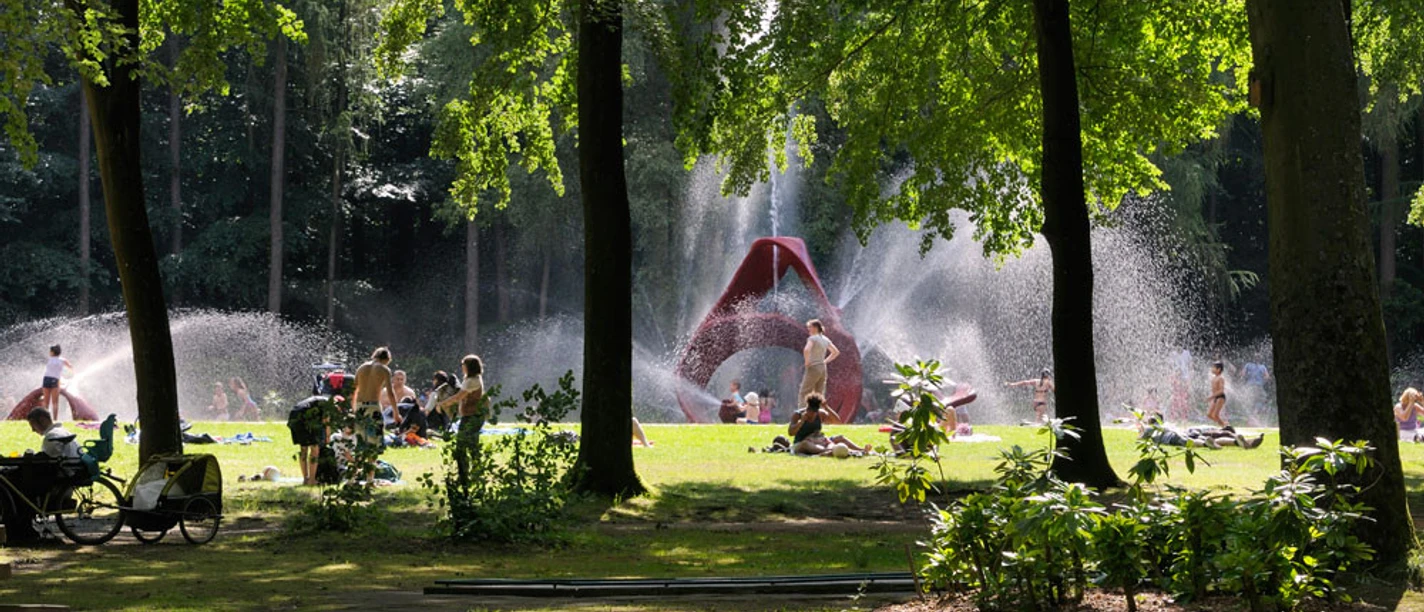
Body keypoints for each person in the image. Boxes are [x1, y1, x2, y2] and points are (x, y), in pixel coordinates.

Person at [2, 408, 82, 542]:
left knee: (14, 486)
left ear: (43, 420)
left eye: (33, 425)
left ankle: (19, 530)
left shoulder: (52, 436)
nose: (33, 430)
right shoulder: (62, 432)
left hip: (58, 480)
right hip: (66, 475)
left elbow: (47, 461)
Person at [438, 355, 486, 485]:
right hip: (470, 416)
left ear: (469, 366)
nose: (462, 367)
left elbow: (459, 396)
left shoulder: (472, 381)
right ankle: (474, 474)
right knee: (471, 446)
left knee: (462, 447)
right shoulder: (469, 379)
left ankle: (466, 476)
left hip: (472, 417)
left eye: (463, 364)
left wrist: (443, 404)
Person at [353, 347, 398, 478]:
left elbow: (354, 390)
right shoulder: (384, 369)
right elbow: (390, 392)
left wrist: (353, 408)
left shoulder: (361, 368)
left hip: (360, 407)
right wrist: (396, 412)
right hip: (373, 407)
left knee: (360, 443)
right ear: (387, 359)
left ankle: (353, 478)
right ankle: (369, 479)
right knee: (373, 445)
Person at [788, 393, 870, 456]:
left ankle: (861, 450)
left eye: (814, 412)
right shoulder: (798, 415)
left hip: (818, 440)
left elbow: (837, 422)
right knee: (805, 444)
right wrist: (801, 421)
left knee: (840, 438)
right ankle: (828, 451)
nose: (812, 415)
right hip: (802, 443)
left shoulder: (820, 414)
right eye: (810, 411)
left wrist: (826, 407)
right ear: (807, 408)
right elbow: (791, 433)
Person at [1137, 412, 1263, 449]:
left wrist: (1141, 430)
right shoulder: (1166, 424)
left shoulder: (1150, 428)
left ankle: (1205, 443)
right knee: (1216, 438)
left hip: (1175, 437)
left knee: (1193, 442)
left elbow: (1140, 439)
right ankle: (1237, 442)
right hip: (1184, 432)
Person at [287, 396, 329, 486]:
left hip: (294, 417)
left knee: (303, 449)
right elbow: (326, 422)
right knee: (315, 450)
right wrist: (327, 437)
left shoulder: (317, 400)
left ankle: (305, 479)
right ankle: (312, 480)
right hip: (305, 417)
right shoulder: (328, 403)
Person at [799, 320, 840, 404]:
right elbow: (836, 352)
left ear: (815, 328)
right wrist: (825, 361)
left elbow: (806, 350)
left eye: (810, 327)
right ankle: (818, 413)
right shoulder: (825, 339)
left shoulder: (812, 338)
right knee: (819, 394)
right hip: (823, 368)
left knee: (804, 391)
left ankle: (802, 412)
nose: (808, 329)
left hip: (813, 366)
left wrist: (807, 362)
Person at [40, 345, 72, 418]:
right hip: (55, 380)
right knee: (55, 402)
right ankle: (55, 418)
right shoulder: (62, 360)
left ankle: (45, 418)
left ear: (52, 352)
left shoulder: (49, 360)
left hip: (46, 379)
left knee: (46, 401)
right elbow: (70, 366)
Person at [1206, 361, 1228, 427]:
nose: (1212, 369)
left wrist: (1211, 397)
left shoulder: (1221, 378)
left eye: (1214, 368)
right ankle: (1224, 424)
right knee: (1209, 414)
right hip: (1215, 397)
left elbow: (1221, 390)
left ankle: (1225, 426)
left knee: (1215, 414)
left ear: (1218, 370)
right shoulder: (1214, 378)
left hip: (1220, 397)